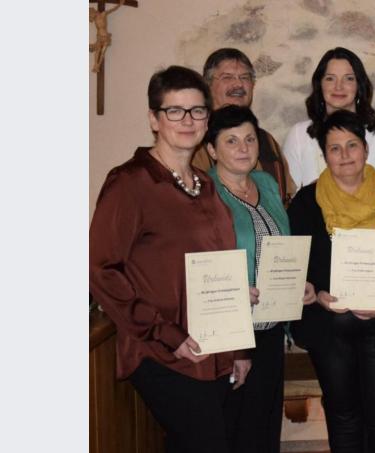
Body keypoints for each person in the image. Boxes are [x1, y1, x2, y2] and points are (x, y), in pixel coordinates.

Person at [89, 65, 255, 453]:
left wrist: (239, 349)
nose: (187, 120)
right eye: (174, 111)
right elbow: (102, 267)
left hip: (214, 349)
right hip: (163, 353)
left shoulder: (206, 185)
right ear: (154, 119)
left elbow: (221, 263)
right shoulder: (130, 182)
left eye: (197, 111)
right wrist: (167, 335)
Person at [287, 109, 375, 453]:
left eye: (352, 145)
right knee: (343, 416)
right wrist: (314, 292)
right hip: (328, 326)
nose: (345, 155)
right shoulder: (306, 202)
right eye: (335, 148)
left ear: (365, 149)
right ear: (325, 155)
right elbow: (295, 262)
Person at [204, 105, 316, 453]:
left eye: (250, 139)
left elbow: (281, 246)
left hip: (270, 327)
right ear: (211, 150)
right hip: (231, 330)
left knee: (265, 428)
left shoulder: (267, 183)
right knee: (234, 428)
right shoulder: (205, 192)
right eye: (231, 140)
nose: (243, 147)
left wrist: (300, 282)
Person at [283, 47, 375, 189]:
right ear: (320, 85)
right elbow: (290, 200)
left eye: (348, 78)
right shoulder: (299, 135)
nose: (338, 86)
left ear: (359, 86)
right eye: (330, 78)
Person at [193, 48, 295, 204]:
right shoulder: (196, 140)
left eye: (245, 77)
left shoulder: (266, 141)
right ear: (207, 85)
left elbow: (286, 200)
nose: (238, 84)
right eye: (227, 77)